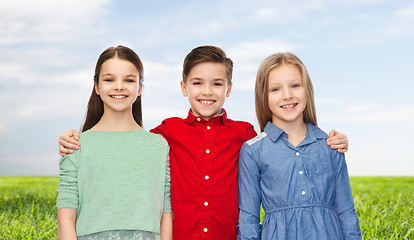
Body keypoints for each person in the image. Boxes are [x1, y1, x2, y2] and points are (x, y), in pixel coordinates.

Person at [57, 46, 349, 240]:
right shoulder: (166, 133)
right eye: (197, 83)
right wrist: (74, 139)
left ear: (229, 89)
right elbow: (127, 142)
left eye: (217, 83)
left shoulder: (245, 135)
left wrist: (331, 140)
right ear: (183, 87)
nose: (207, 91)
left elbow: (281, 150)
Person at [237, 52, 361, 239]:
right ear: (263, 96)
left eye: (295, 85)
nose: (287, 95)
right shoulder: (253, 151)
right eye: (275, 89)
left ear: (307, 90)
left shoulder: (330, 145)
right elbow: (248, 218)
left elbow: (345, 210)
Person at [56, 45, 172, 240]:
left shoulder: (158, 146)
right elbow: (65, 218)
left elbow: (166, 213)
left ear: (140, 88)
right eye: (109, 79)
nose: (119, 86)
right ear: (97, 87)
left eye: (129, 80)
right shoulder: (76, 145)